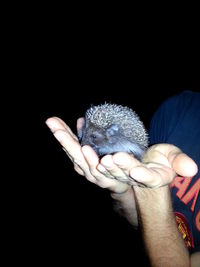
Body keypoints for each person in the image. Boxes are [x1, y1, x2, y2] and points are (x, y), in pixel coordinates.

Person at [46, 90, 200, 267]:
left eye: (93, 136)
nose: (85, 142)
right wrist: (123, 191)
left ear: (113, 132)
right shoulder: (178, 109)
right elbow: (139, 221)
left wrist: (151, 191)